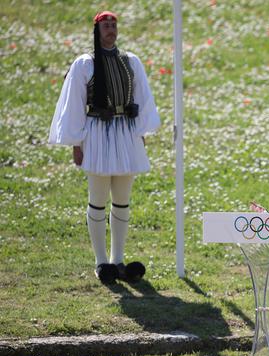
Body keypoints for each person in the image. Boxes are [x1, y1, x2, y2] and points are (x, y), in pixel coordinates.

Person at [48, 11, 160, 284]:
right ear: (97, 30)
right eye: (106, 25)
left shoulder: (131, 61)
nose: (111, 29)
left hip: (125, 132)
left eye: (114, 25)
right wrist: (76, 143)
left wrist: (140, 132)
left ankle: (117, 260)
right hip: (97, 132)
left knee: (122, 199)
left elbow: (142, 97)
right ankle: (101, 261)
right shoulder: (84, 64)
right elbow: (74, 104)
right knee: (97, 199)